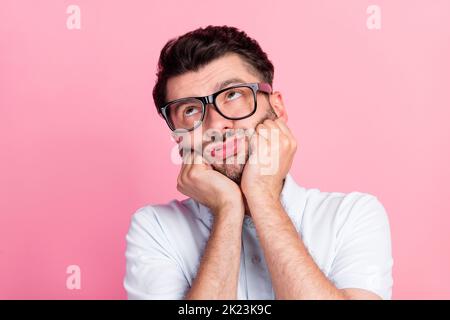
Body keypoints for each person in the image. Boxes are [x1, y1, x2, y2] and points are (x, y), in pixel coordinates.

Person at [124, 25, 393, 300]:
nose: (216, 124)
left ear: (277, 107)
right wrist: (228, 209)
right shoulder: (155, 228)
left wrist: (262, 194)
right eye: (191, 110)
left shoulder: (352, 215)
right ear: (178, 137)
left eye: (232, 95)